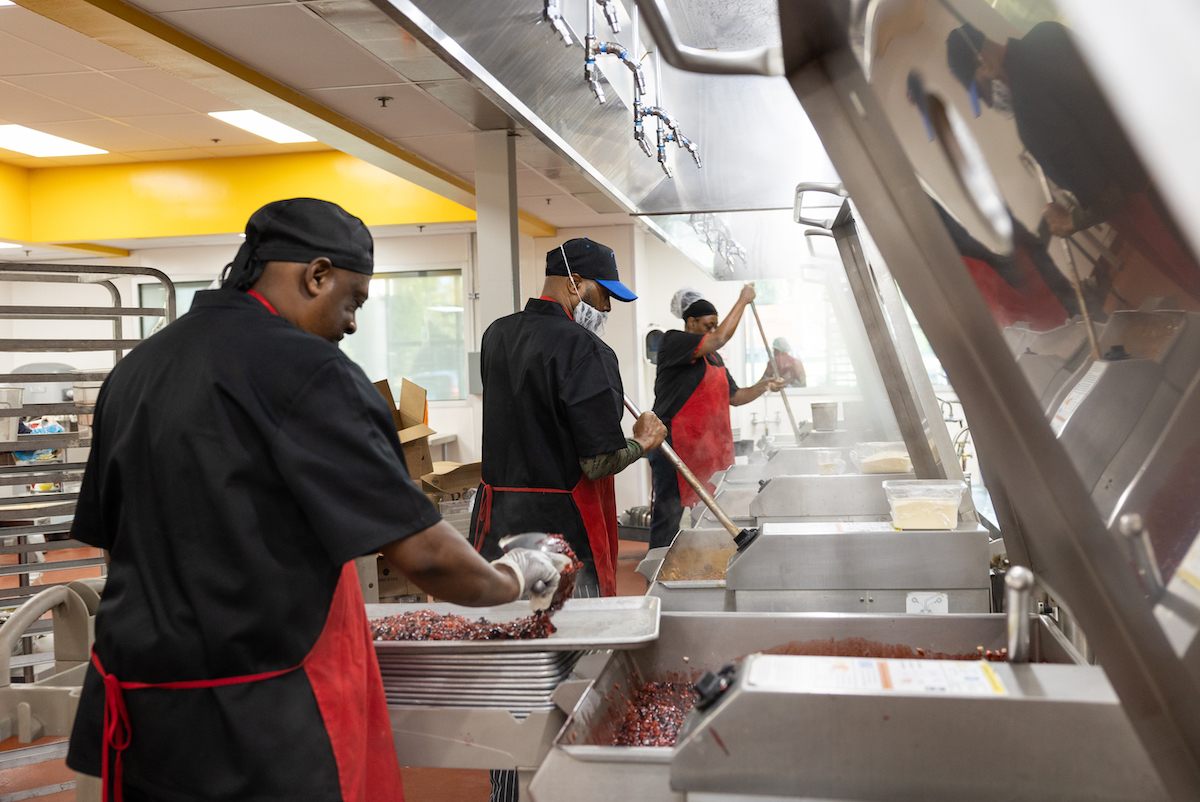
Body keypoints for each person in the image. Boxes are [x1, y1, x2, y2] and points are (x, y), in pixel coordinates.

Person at [64, 198, 570, 802]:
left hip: (137, 716)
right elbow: (426, 558)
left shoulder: (137, 370)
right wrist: (515, 575)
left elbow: (114, 531)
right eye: (353, 300)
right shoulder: (310, 371)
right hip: (260, 724)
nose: (352, 323)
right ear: (316, 274)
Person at [946, 21, 1200, 304]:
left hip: (1148, 200)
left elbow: (1107, 199)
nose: (990, 103)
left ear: (982, 61)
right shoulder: (1050, 33)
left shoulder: (1029, 116)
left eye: (981, 91)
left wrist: (1069, 222)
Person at [470, 237, 666, 599]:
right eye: (604, 294)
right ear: (575, 283)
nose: (607, 307)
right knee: (573, 638)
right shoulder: (587, 348)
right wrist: (644, 441)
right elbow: (598, 462)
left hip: (499, 522)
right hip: (563, 531)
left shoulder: (497, 334)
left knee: (507, 626)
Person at [648, 285, 786, 548]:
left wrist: (765, 384)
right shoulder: (672, 341)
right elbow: (721, 338)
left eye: (715, 326)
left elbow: (735, 397)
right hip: (676, 449)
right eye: (708, 326)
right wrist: (743, 301)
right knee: (668, 518)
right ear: (691, 322)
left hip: (708, 453)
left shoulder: (715, 359)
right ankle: (655, 578)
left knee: (711, 519)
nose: (713, 332)